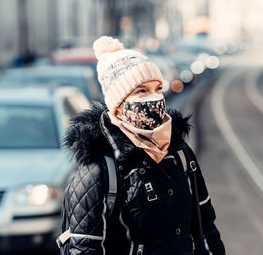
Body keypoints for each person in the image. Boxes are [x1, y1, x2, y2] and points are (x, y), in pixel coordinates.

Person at [62, 36, 226, 255]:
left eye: (157, 88)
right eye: (141, 91)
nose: (154, 98)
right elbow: (83, 249)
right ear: (118, 106)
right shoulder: (98, 170)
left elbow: (205, 226)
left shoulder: (180, 154)